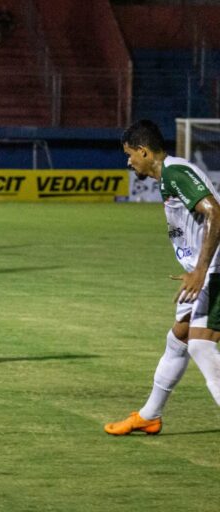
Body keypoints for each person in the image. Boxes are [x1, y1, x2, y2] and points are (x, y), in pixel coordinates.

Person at [105, 119, 220, 435]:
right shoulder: (169, 177)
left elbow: (214, 213)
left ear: (143, 151)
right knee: (179, 338)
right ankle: (150, 414)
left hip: (214, 270)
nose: (129, 162)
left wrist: (199, 271)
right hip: (202, 269)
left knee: (201, 346)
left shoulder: (174, 172)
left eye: (130, 155)